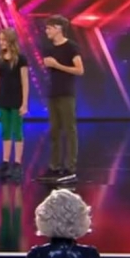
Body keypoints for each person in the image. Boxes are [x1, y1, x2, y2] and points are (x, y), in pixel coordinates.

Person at [40, 15, 83, 183]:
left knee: (69, 129)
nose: (46, 31)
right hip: (53, 92)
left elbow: (79, 70)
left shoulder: (71, 47)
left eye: (49, 28)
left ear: (58, 28)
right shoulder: (48, 48)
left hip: (66, 92)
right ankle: (54, 166)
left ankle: (70, 167)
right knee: (55, 130)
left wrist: (57, 65)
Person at [0, 28, 29, 180]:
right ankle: (5, 163)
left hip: (16, 99)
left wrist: (24, 103)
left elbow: (25, 82)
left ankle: (17, 164)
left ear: (11, 41)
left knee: (17, 131)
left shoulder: (21, 59)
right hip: (3, 99)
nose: (1, 43)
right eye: (0, 40)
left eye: (4, 40)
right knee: (5, 131)